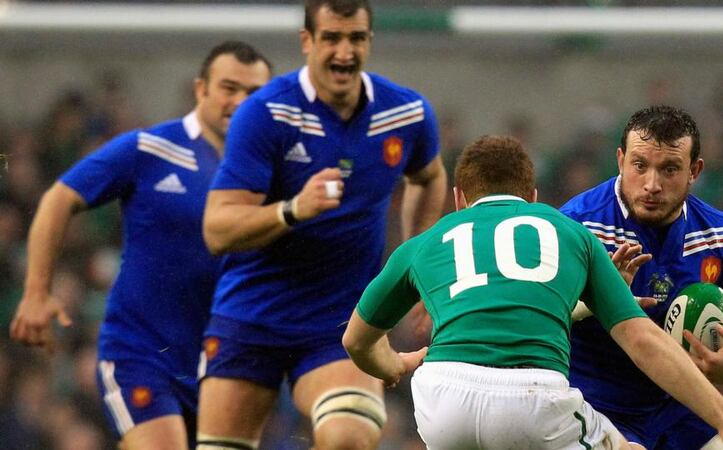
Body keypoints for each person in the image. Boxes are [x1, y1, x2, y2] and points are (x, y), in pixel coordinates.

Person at [342, 134, 723, 450]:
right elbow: (643, 340)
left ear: (459, 199)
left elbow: (356, 340)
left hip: (440, 400)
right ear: (532, 197)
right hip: (532, 398)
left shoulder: (423, 243)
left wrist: (393, 363)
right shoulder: (570, 231)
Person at [197, 1, 446, 449]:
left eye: (356, 38)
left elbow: (428, 177)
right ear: (307, 42)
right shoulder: (267, 112)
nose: (344, 52)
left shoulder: (405, 113)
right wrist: (293, 209)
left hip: (341, 321)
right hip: (251, 315)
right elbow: (217, 229)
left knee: (347, 439)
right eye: (332, 38)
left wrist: (418, 263)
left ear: (370, 41)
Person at [9, 41, 272, 450]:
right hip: (141, 354)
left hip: (224, 363)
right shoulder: (150, 149)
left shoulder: (274, 172)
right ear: (201, 89)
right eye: (229, 88)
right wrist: (36, 291)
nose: (240, 102)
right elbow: (59, 198)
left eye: (254, 93)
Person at [560, 105, 723, 449]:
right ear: (620, 161)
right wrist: (594, 299)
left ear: (695, 170)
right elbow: (535, 320)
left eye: (669, 169)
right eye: (639, 166)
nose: (652, 184)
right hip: (593, 407)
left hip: (682, 409)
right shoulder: (577, 228)